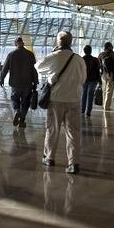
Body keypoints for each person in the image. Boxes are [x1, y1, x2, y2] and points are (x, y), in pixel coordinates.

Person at [37, 31, 86, 174]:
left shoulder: (54, 56)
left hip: (56, 100)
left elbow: (38, 67)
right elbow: (83, 79)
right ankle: (73, 163)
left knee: (52, 130)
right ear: (70, 42)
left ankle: (49, 157)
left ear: (58, 42)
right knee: (73, 132)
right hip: (74, 100)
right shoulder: (78, 59)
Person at [0, 37, 39, 128]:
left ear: (15, 44)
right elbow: (34, 69)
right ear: (23, 43)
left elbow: (5, 68)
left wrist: (1, 78)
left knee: (14, 99)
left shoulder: (11, 54)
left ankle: (17, 111)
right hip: (28, 83)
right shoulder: (30, 54)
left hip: (15, 83)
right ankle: (22, 121)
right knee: (25, 102)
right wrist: (35, 82)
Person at [98, 41, 114, 111]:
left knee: (104, 90)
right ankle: (107, 106)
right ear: (110, 47)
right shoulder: (112, 54)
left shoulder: (101, 55)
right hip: (111, 74)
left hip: (103, 74)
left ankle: (104, 104)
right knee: (109, 90)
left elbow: (98, 65)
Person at [81, 45, 101, 116]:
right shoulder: (95, 59)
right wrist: (100, 81)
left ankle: (82, 109)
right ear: (91, 51)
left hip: (84, 79)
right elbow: (98, 71)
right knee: (90, 95)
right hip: (93, 80)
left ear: (84, 51)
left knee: (84, 94)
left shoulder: (81, 59)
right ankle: (88, 111)